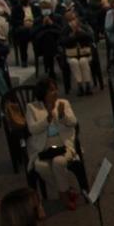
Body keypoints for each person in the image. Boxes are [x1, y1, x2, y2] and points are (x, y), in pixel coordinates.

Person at [25, 79, 82, 210]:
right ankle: (67, 190)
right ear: (43, 92)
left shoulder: (63, 103)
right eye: (51, 90)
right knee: (41, 166)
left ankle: (63, 197)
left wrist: (62, 116)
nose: (55, 92)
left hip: (62, 144)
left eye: (55, 88)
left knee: (58, 162)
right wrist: (48, 119)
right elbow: (32, 129)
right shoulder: (32, 107)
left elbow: (73, 122)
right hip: (43, 147)